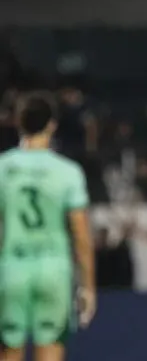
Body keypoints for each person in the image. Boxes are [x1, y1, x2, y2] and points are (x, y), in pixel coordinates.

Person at [0, 92, 96, 361]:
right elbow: (81, 235)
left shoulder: (2, 167)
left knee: (9, 350)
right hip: (54, 271)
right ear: (52, 124)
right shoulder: (68, 171)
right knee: (51, 349)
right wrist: (87, 285)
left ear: (18, 122)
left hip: (12, 269)